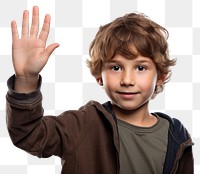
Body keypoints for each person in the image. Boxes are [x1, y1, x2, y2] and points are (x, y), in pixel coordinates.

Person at [6, 6, 194, 174]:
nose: (127, 80)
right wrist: (26, 80)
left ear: (160, 76)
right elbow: (28, 134)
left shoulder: (177, 136)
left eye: (140, 68)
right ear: (99, 75)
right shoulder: (81, 125)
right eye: (116, 67)